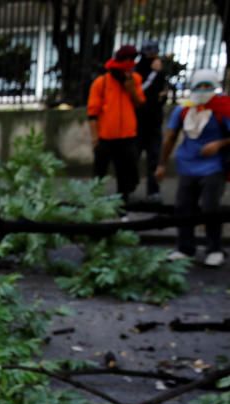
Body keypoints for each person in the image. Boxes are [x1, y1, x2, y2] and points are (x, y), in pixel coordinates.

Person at [155, 69, 227, 267]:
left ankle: (214, 248)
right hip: (187, 165)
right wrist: (162, 164)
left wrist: (219, 144)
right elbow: (170, 137)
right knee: (184, 208)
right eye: (199, 86)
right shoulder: (183, 110)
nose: (203, 90)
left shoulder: (223, 110)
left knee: (210, 207)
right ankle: (185, 248)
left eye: (208, 86)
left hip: (214, 166)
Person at [87, 45, 145, 205]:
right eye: (127, 59)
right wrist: (94, 138)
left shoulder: (135, 80)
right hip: (105, 138)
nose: (130, 63)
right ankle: (94, 206)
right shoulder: (101, 83)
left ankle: (122, 208)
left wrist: (131, 88)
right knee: (99, 174)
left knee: (125, 175)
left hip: (127, 137)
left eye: (132, 60)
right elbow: (92, 113)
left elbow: (139, 103)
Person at [135, 41, 168, 202]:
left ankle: (153, 190)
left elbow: (162, 94)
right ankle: (128, 188)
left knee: (154, 158)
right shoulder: (138, 70)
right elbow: (141, 91)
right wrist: (155, 73)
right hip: (138, 122)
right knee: (133, 157)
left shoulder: (159, 71)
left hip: (154, 122)